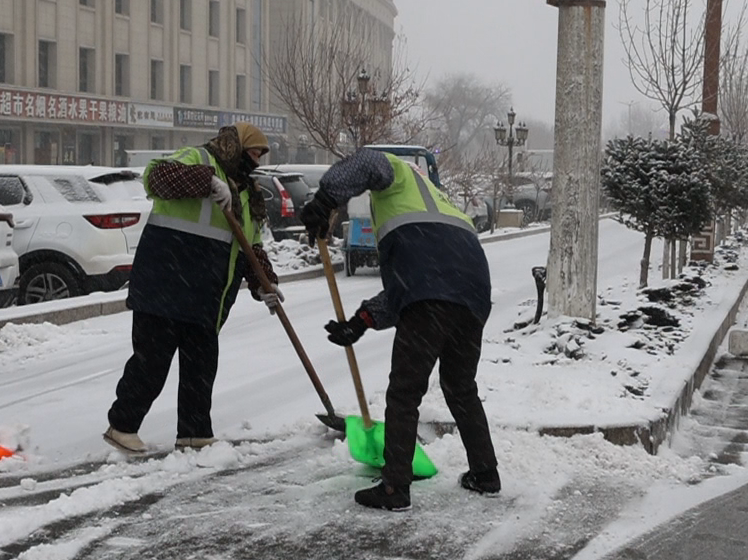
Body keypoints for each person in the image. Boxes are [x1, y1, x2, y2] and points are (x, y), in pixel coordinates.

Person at [300, 149, 498, 512]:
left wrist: (325, 198)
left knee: (404, 394)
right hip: (473, 296)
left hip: (433, 294)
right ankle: (485, 474)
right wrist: (360, 322)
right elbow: (407, 290)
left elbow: (366, 162)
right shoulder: (439, 206)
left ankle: (394, 488)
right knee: (461, 388)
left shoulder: (397, 173)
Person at [102, 124, 276, 455]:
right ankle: (122, 426)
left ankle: (194, 433)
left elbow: (251, 249)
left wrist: (266, 285)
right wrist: (205, 181)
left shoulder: (248, 194)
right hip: (165, 283)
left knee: (201, 368)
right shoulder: (199, 158)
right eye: (253, 153)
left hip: (207, 295)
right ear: (236, 148)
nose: (256, 161)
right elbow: (155, 177)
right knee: (151, 362)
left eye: (260, 156)